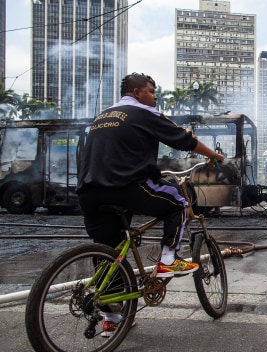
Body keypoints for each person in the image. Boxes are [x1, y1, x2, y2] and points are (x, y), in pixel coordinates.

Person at [77, 73, 224, 335]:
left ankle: (113, 318)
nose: (155, 96)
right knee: (178, 202)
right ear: (137, 92)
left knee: (106, 255)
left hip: (89, 192)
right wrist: (213, 155)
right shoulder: (142, 112)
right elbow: (183, 139)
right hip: (125, 187)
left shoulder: (101, 117)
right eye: (151, 91)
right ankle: (168, 259)